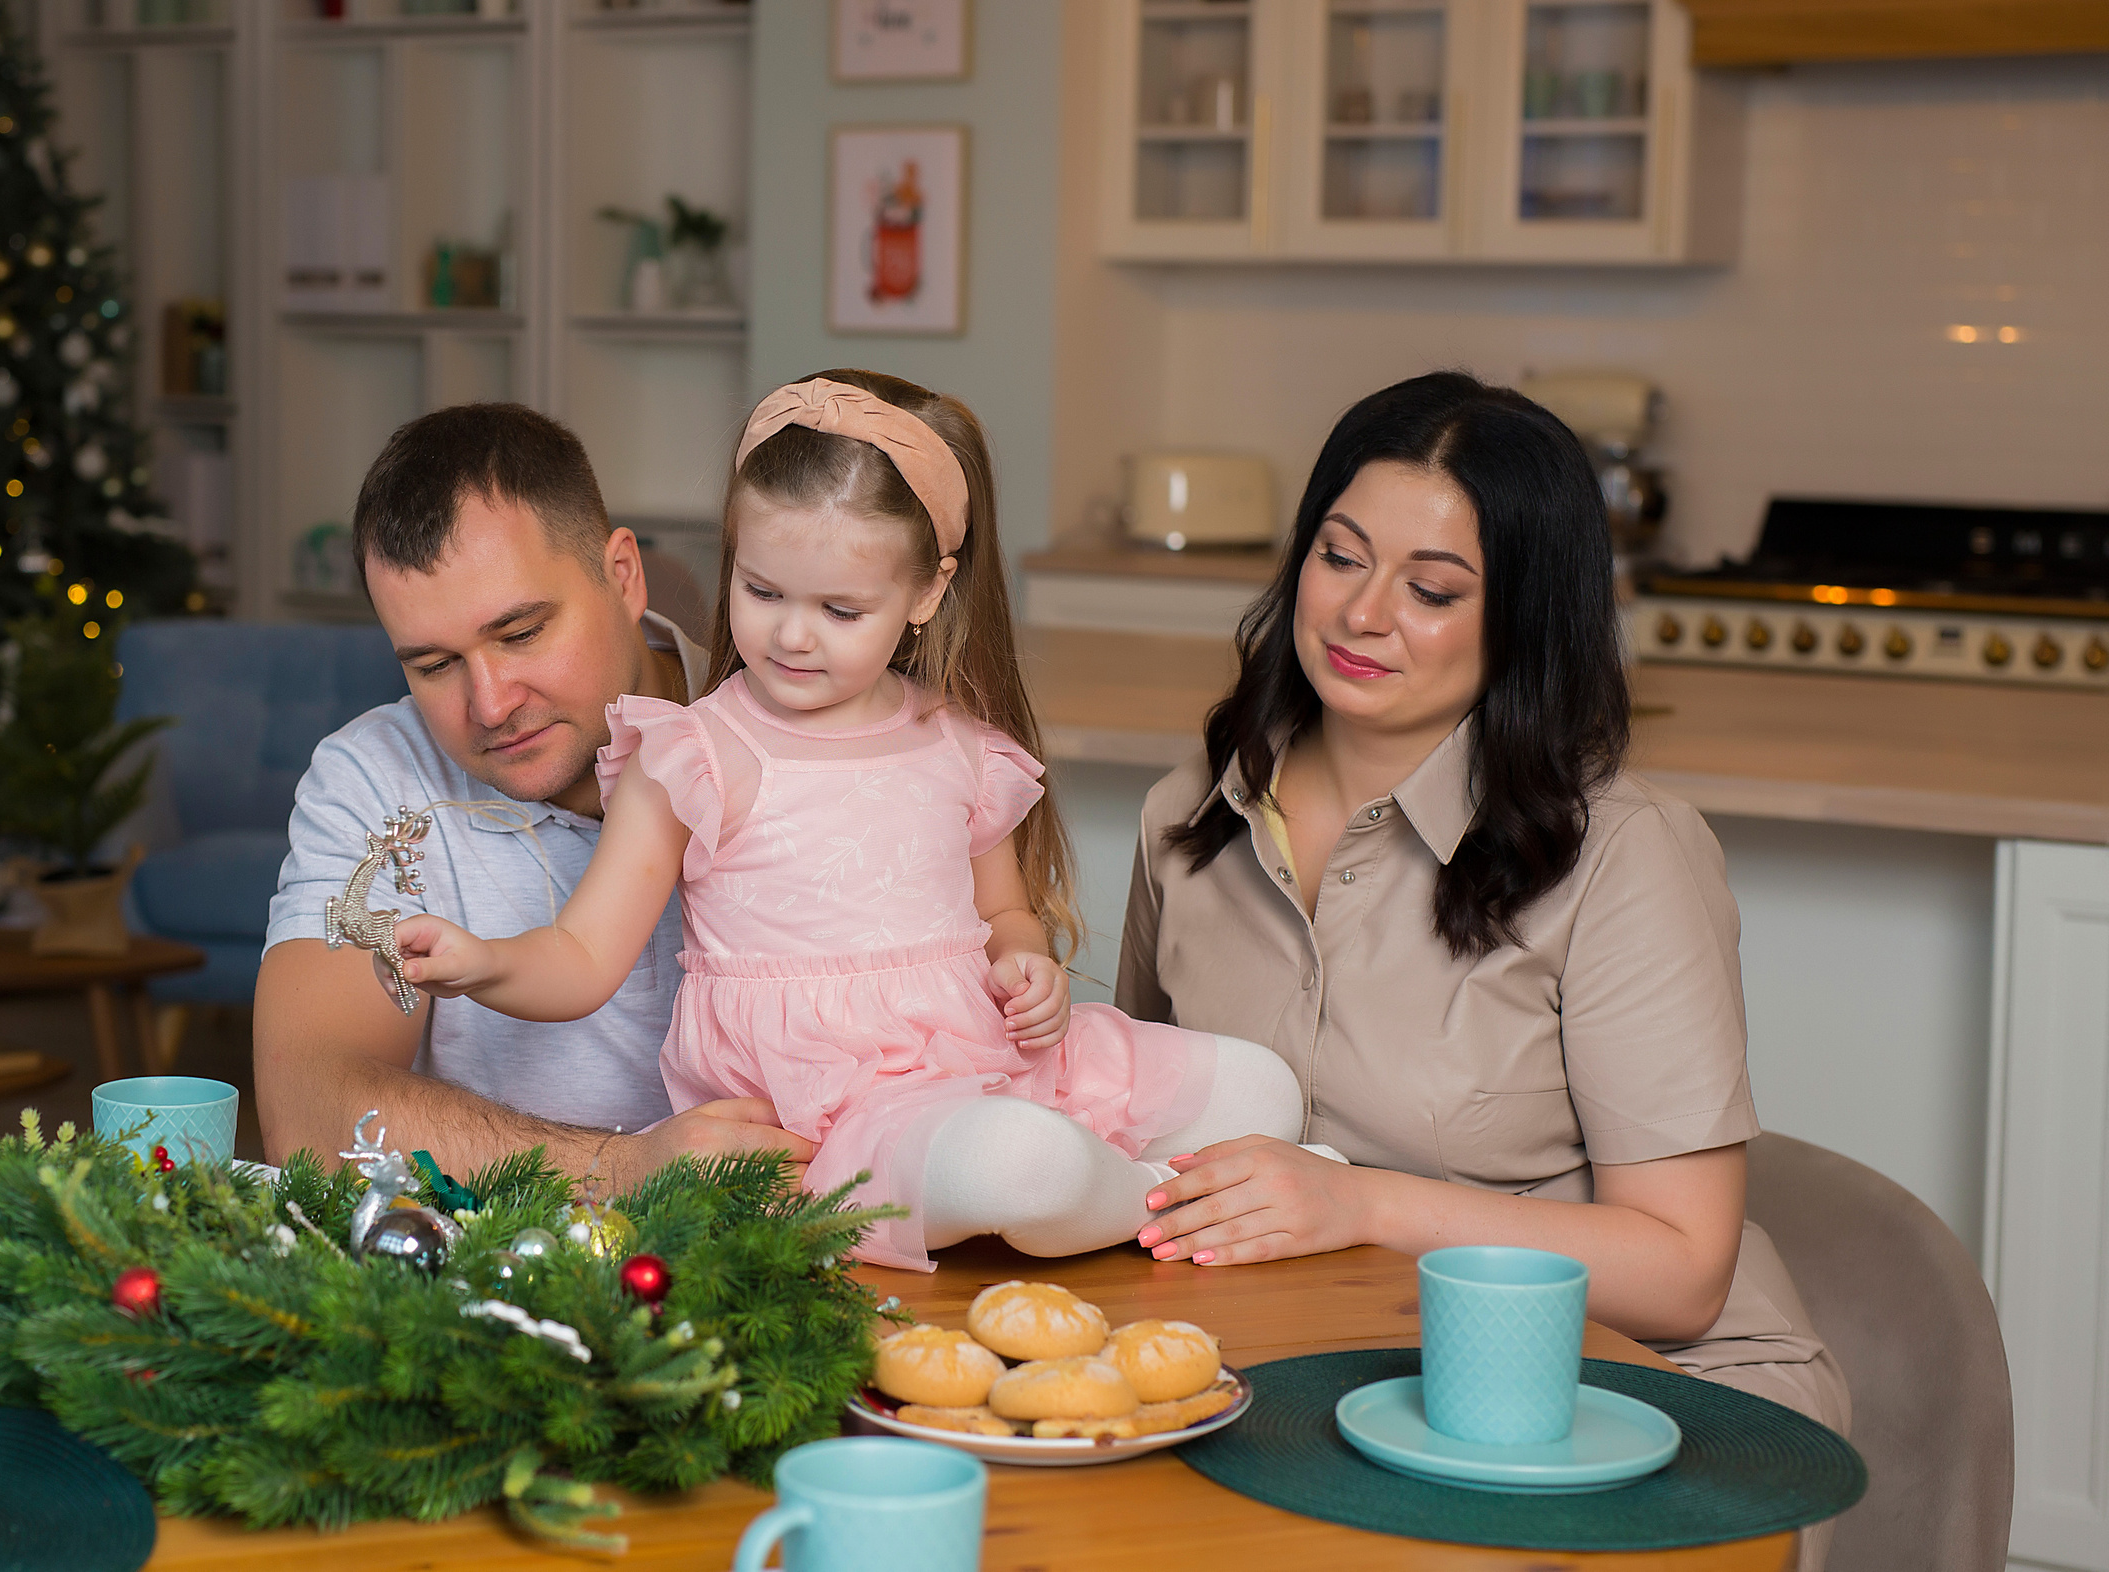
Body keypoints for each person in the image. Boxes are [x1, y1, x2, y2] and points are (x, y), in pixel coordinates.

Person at [390, 370, 1326, 1270]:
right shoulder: (693, 754)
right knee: (1020, 1166)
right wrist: (485, 963)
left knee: (1263, 1090)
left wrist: (1026, 963)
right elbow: (584, 957)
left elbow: (1002, 914)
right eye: (761, 592)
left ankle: (1119, 1187)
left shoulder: (958, 744)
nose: (792, 635)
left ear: (926, 594)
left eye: (841, 608)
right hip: (834, 1121)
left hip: (991, 1058)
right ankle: (1154, 1198)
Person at [1116, 372, 1851, 1443]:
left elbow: (1682, 1274)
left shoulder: (1624, 855)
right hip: (1322, 1364)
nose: (1362, 614)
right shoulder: (1190, 815)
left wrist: (1361, 1205)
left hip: (1636, 1383)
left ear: (1519, 617)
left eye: (1433, 589)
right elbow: (1145, 1126)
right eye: (1340, 555)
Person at [253, 402, 813, 1187]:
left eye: (519, 634)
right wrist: (624, 1168)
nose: (489, 704)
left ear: (622, 576)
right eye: (433, 665)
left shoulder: (796, 732)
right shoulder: (373, 775)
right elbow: (311, 1116)